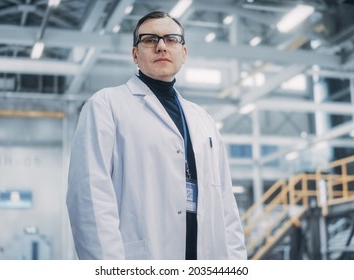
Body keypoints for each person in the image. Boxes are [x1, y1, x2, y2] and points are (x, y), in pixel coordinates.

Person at [66, 11, 247, 260]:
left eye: (171, 39)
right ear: (135, 54)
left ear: (183, 53)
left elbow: (226, 203)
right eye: (150, 40)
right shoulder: (106, 105)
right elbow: (89, 198)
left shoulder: (203, 120)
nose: (161, 46)